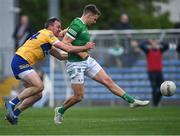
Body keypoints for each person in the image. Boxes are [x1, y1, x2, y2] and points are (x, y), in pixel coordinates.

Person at [54, 4, 150, 124]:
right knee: (78, 97)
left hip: (87, 60)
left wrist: (65, 32)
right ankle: (61, 110)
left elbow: (69, 32)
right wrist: (82, 51)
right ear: (88, 15)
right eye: (94, 19)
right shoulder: (78, 24)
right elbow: (64, 43)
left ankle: (131, 100)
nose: (94, 22)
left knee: (107, 80)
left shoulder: (78, 24)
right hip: (75, 63)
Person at [5, 17, 95, 125]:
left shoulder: (46, 39)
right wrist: (84, 47)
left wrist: (78, 56)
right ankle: (11, 103)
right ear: (50, 26)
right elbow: (67, 48)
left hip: (21, 62)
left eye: (60, 27)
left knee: (38, 94)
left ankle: (14, 114)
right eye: (57, 27)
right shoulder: (48, 34)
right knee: (39, 86)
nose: (59, 29)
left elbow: (61, 56)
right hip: (20, 61)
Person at [139, 39, 169, 106]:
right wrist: (148, 41)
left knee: (162, 89)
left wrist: (159, 42)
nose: (154, 44)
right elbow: (141, 45)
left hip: (159, 73)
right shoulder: (148, 51)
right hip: (151, 73)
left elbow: (167, 46)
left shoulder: (160, 50)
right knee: (154, 88)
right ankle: (155, 104)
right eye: (153, 43)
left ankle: (156, 102)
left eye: (155, 43)